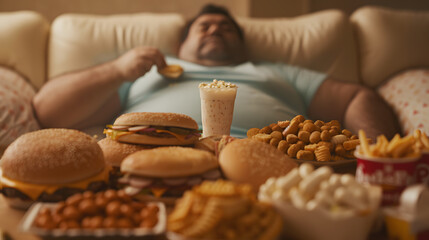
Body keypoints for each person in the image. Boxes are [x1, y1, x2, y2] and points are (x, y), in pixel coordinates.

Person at [33, 4, 401, 140]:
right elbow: (49, 109)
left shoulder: (274, 70)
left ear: (242, 44)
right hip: (156, 157)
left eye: (226, 28)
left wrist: (375, 161)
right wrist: (117, 69)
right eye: (204, 27)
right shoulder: (145, 73)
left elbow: (358, 97)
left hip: (268, 159)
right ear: (182, 46)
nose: (215, 30)